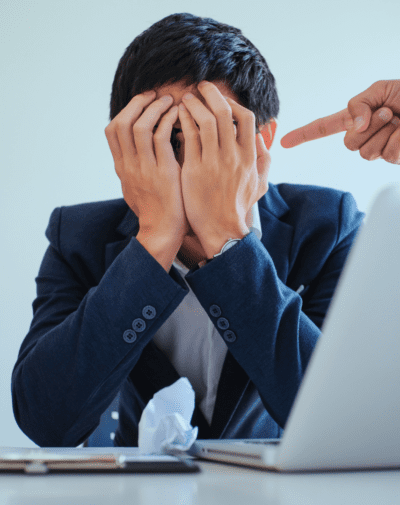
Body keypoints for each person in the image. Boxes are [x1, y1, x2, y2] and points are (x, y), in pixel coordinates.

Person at [12, 12, 366, 448]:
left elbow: (342, 418)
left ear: (262, 141)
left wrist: (229, 244)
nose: (190, 162)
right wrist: (154, 242)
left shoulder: (328, 225)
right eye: (164, 139)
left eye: (214, 136)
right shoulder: (79, 237)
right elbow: (46, 420)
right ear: (126, 148)